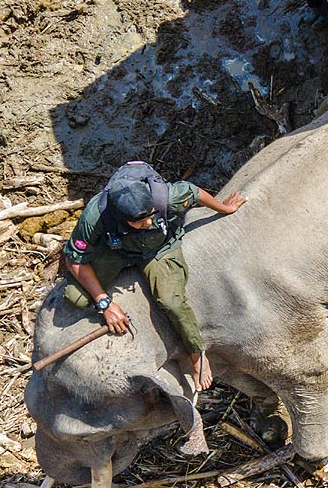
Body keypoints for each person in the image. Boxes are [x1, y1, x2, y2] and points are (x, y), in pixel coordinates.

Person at [61, 162, 247, 392]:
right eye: (140, 222)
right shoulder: (95, 216)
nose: (148, 223)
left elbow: (194, 192)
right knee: (75, 297)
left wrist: (223, 208)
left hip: (159, 247)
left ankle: (197, 354)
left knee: (171, 301)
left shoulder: (164, 197)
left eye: (150, 217)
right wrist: (104, 303)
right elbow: (74, 259)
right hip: (117, 250)